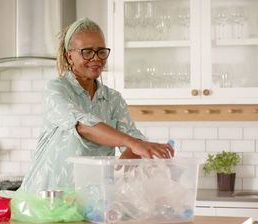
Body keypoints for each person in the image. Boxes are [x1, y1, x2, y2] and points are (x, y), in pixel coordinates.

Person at [19, 18, 174, 193]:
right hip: (46, 199)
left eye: (101, 51)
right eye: (87, 52)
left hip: (90, 200)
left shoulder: (113, 99)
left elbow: (133, 143)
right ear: (70, 56)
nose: (96, 58)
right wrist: (132, 142)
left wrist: (127, 163)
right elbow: (81, 125)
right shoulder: (57, 89)